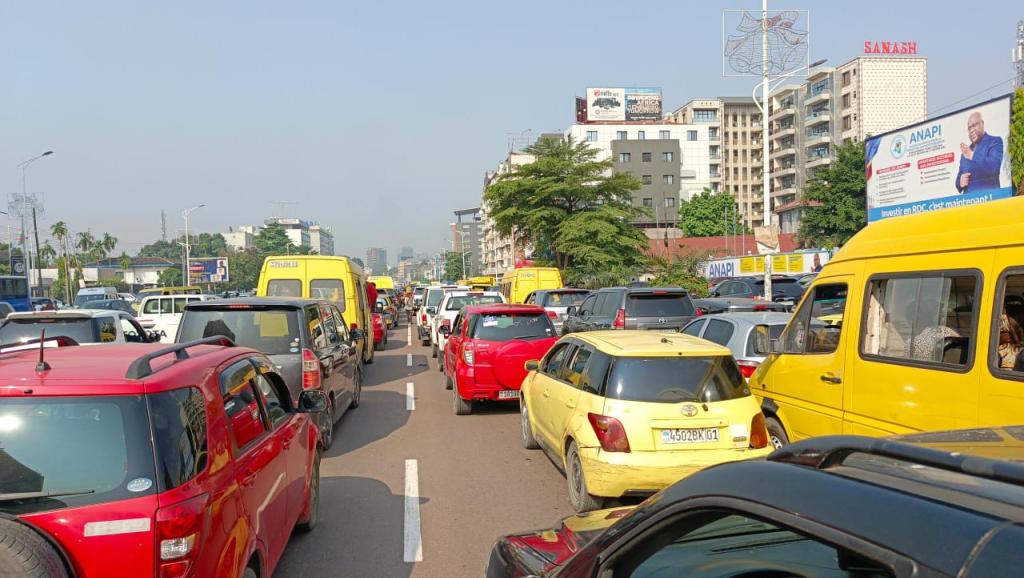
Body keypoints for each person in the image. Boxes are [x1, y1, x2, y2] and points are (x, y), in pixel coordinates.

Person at [955, 111, 1004, 194]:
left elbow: (994, 168)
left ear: (982, 124)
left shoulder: (994, 141)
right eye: (969, 128)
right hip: (969, 203)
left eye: (974, 125)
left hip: (990, 200)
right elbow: (958, 180)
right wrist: (960, 182)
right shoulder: (966, 152)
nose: (971, 130)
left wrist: (972, 155)